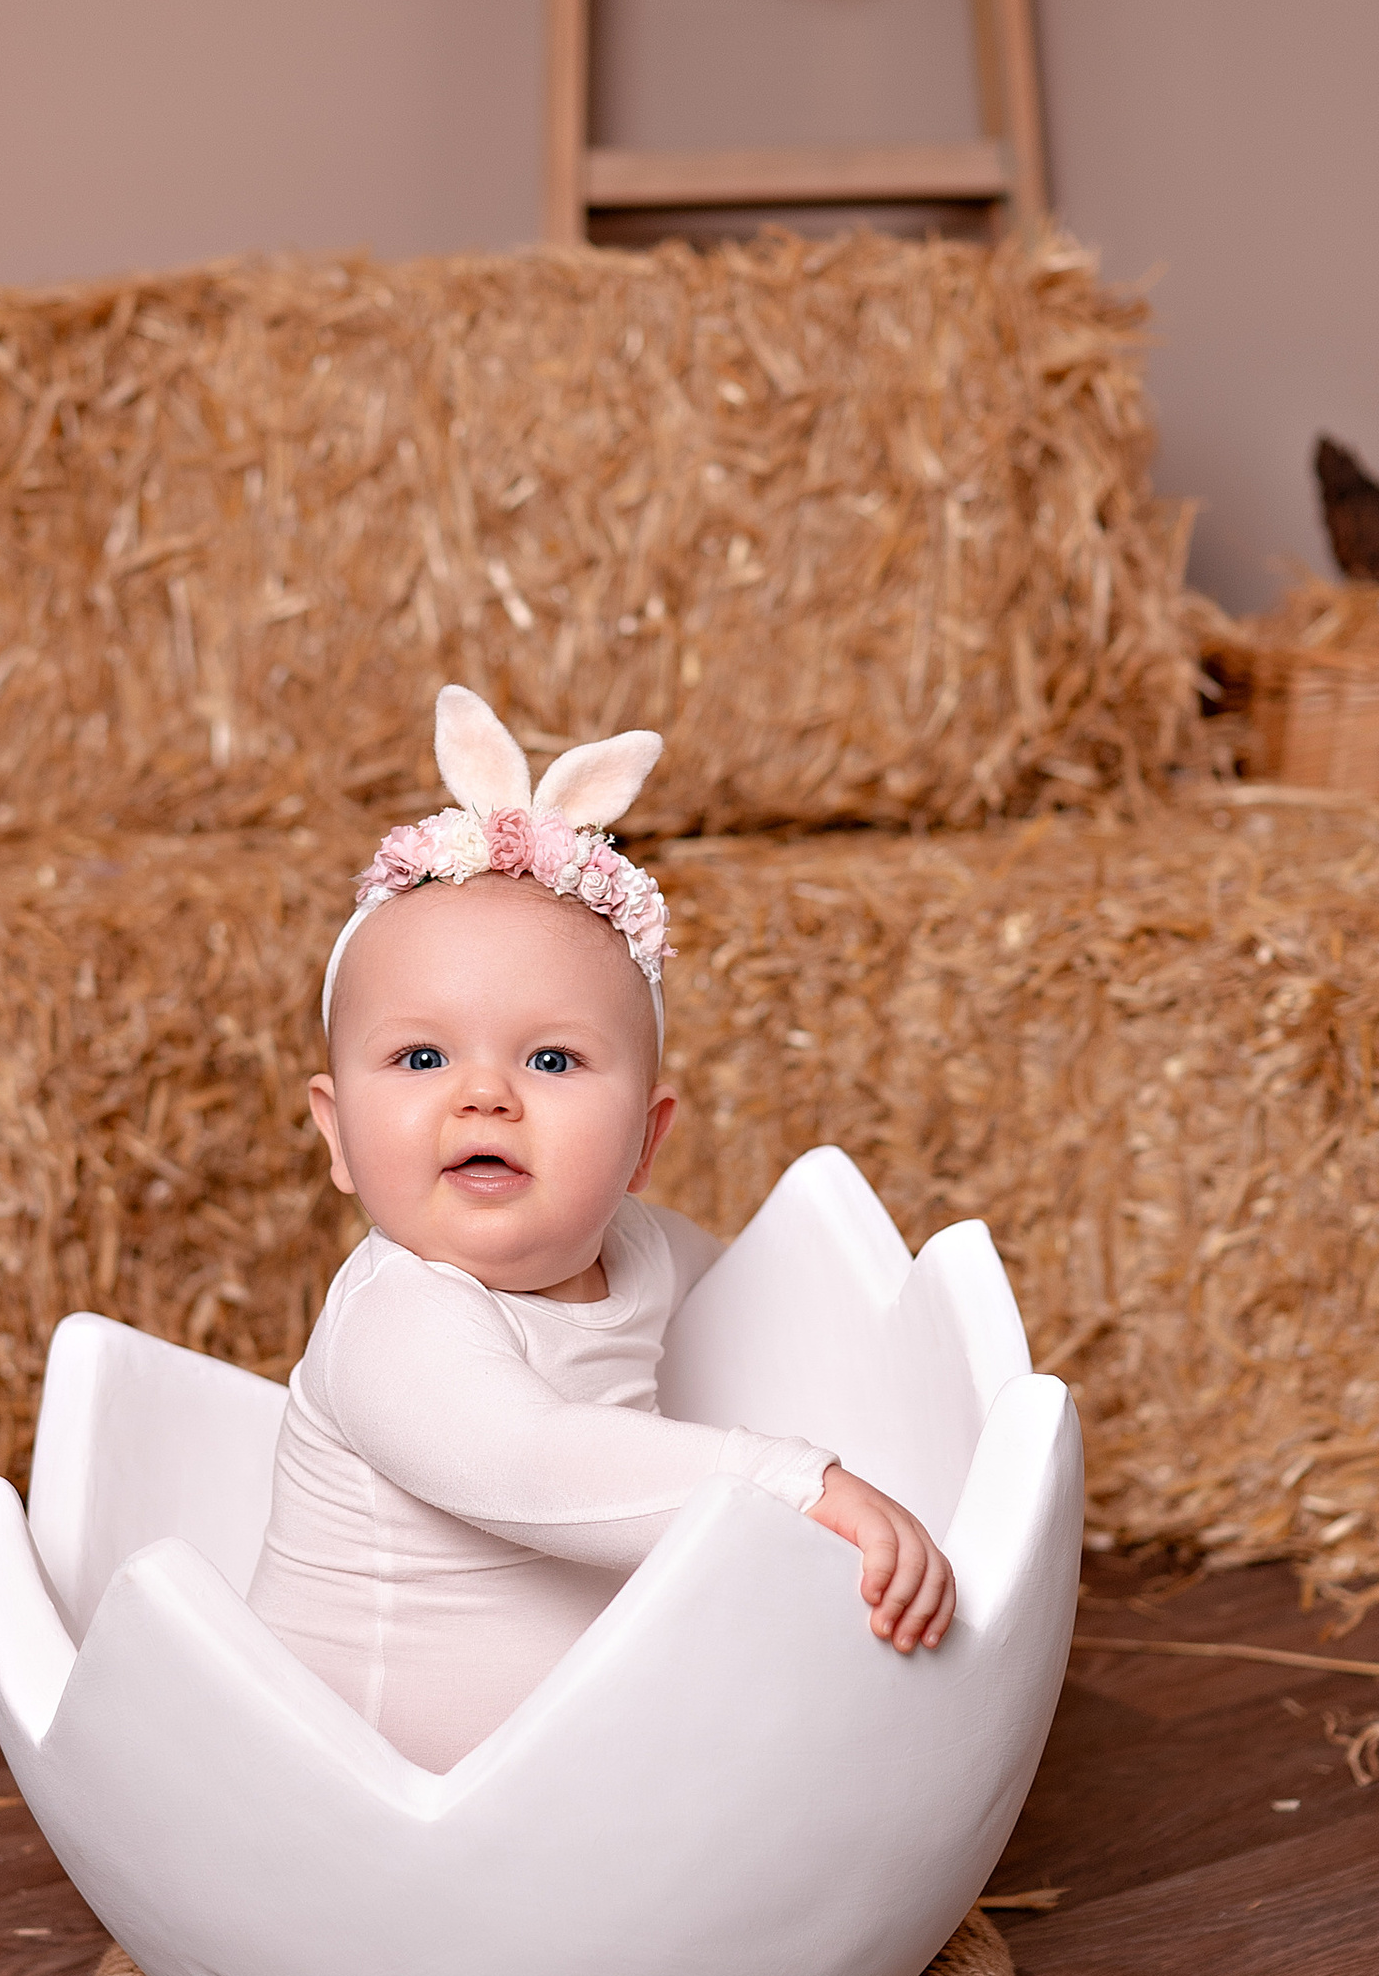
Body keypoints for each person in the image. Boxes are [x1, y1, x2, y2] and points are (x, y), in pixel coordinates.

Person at [244, 687, 954, 1772]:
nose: (485, 1097)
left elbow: (762, 1313)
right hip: (364, 1782)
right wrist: (800, 1482)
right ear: (336, 1134)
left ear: (643, 1141)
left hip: (576, 1761)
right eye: (422, 1058)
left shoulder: (645, 1251)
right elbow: (534, 1462)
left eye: (552, 1060)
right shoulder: (396, 1323)